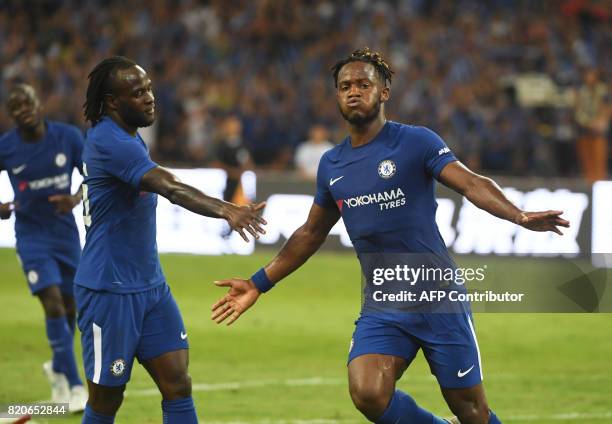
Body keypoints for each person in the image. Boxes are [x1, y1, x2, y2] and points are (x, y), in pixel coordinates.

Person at [211, 48, 570, 424]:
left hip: (437, 296)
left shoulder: (417, 142)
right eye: (345, 86)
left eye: (363, 84)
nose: (353, 91)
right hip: (384, 302)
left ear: (383, 93)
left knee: (471, 411)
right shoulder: (331, 164)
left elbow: (470, 183)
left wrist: (519, 214)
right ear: (336, 96)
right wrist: (258, 283)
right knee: (367, 392)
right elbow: (310, 233)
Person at [76, 56, 266, 424]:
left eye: (149, 89)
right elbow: (171, 188)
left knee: (177, 383)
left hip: (150, 287)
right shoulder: (109, 140)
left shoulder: (127, 137)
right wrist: (227, 209)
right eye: (138, 93)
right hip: (109, 291)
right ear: (113, 102)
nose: (150, 98)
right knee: (106, 401)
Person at [0, 84, 88, 412]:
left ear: (40, 105)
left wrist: (75, 199)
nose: (23, 109)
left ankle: (57, 368)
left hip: (65, 234)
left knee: (69, 308)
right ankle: (76, 385)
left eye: (27, 102)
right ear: (11, 115)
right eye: (15, 107)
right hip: (31, 236)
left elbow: (91, 175)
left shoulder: (67, 137)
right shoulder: (6, 146)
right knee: (52, 304)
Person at [574, 68, 609, 183]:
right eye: (587, 75)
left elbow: (607, 108)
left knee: (599, 156)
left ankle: (599, 179)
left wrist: (600, 121)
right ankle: (589, 180)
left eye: (592, 75)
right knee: (586, 156)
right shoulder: (581, 91)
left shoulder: (603, 90)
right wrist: (586, 123)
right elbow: (578, 110)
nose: (589, 78)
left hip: (599, 128)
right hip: (584, 127)